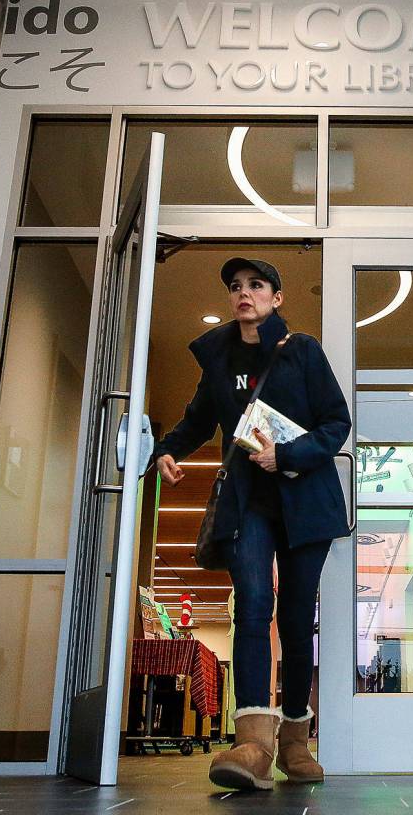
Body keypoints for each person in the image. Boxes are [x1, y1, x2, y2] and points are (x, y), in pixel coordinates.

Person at [154, 258, 351, 791]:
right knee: (253, 608)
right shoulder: (218, 358)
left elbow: (338, 421)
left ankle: (294, 742)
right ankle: (252, 744)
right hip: (248, 504)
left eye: (256, 286)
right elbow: (199, 417)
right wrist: (168, 450)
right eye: (236, 287)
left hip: (305, 501)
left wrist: (284, 453)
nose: (245, 293)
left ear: (277, 298)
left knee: (293, 618)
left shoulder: (302, 351)